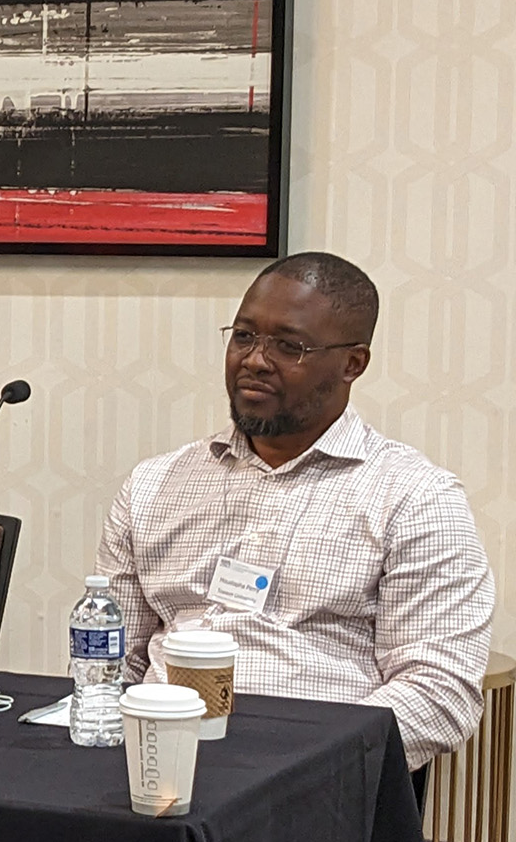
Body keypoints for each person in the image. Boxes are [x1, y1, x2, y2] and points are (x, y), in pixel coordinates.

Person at [96, 252, 493, 768]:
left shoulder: (415, 498)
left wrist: (307, 769)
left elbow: (439, 692)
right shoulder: (154, 484)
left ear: (353, 363)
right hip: (157, 762)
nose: (255, 360)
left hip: (313, 781)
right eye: (243, 336)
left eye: (288, 346)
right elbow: (109, 660)